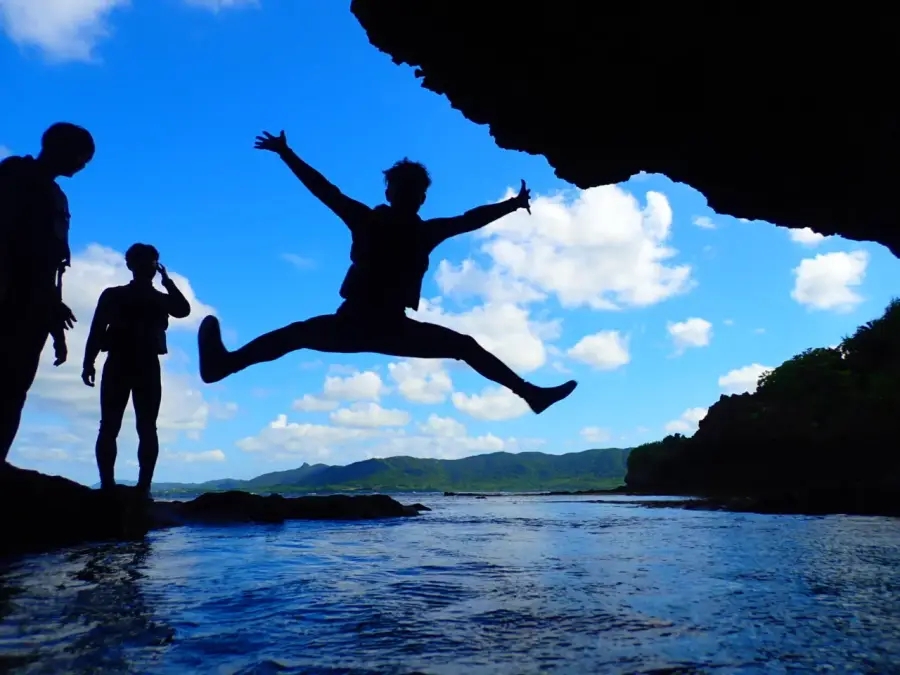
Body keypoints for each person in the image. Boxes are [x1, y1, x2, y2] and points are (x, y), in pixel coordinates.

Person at [197, 130, 577, 414]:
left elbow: (469, 220)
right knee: (295, 335)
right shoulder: (376, 222)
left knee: (296, 335)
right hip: (364, 323)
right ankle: (223, 364)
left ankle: (531, 394)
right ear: (392, 193)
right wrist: (286, 153)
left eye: (413, 189)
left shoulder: (417, 229)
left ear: (419, 196)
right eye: (403, 187)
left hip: (384, 326)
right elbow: (324, 189)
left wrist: (512, 205)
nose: (409, 194)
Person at [0, 122, 93, 466]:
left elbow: (55, 264)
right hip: (13, 296)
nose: (83, 165)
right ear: (59, 147)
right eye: (82, 156)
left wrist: (54, 307)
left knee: (16, 386)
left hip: (37, 301)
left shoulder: (58, 197)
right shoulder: (13, 177)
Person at [82, 243, 191, 497]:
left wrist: (89, 361)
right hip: (141, 364)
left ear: (129, 265)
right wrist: (167, 281)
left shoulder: (115, 295)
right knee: (142, 426)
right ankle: (140, 487)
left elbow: (97, 330)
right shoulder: (155, 298)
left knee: (112, 426)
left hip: (123, 363)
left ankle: (113, 485)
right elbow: (182, 309)